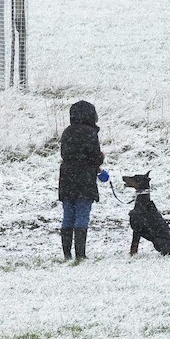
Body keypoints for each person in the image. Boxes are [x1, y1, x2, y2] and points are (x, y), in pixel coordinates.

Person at [59, 100, 105, 261]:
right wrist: (101, 158)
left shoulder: (67, 132)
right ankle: (80, 253)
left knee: (68, 215)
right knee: (82, 214)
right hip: (85, 179)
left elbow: (64, 155)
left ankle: (66, 254)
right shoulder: (90, 133)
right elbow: (95, 157)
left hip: (66, 179)